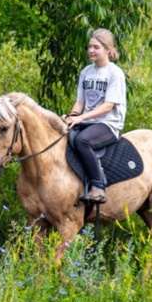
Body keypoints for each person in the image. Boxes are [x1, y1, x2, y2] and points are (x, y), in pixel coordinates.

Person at [61, 28, 127, 204]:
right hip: (87, 121)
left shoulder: (114, 73)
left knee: (82, 141)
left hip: (108, 124)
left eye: (96, 47)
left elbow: (108, 106)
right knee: (59, 134)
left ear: (108, 49)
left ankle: (98, 186)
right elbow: (80, 102)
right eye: (89, 47)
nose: (91, 50)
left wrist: (81, 118)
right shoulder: (86, 72)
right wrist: (71, 116)